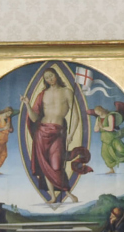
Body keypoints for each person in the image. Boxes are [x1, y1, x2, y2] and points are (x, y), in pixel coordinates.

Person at [21, 68, 82, 203]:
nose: (50, 79)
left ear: (57, 75)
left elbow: (76, 116)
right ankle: (54, 197)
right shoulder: (42, 94)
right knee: (45, 165)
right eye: (47, 78)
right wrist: (27, 104)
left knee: (56, 165)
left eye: (51, 76)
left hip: (58, 133)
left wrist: (71, 134)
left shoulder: (67, 92)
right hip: (41, 132)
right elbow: (34, 118)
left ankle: (68, 193)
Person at [91, 104, 124, 173]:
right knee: (105, 154)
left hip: (112, 137)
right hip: (104, 138)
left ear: (101, 110)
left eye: (98, 112)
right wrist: (97, 127)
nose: (97, 114)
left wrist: (102, 127)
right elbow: (95, 129)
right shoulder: (98, 119)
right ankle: (112, 170)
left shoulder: (110, 116)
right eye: (96, 113)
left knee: (122, 149)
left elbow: (111, 128)